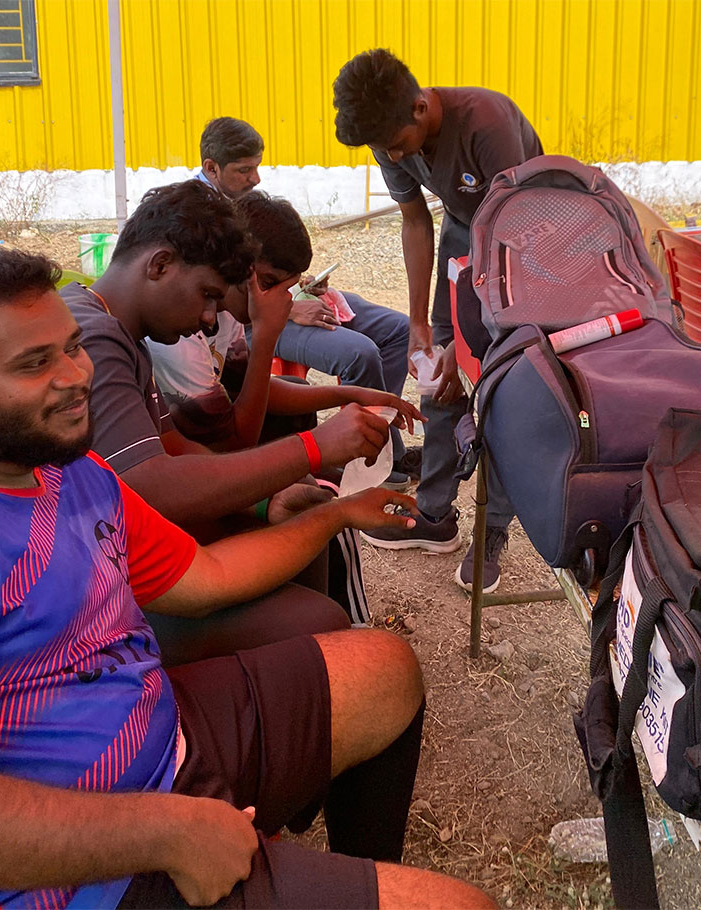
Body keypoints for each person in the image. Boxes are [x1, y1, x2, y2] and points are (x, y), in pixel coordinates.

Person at [0, 247, 494, 910]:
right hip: (64, 872)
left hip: (159, 737)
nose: (76, 376)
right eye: (34, 364)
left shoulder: (67, 471)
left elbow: (206, 574)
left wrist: (334, 514)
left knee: (386, 667)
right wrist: (168, 832)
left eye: (73, 347)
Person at [61, 181, 414, 631]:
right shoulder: (94, 338)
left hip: (122, 544)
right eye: (208, 294)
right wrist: (312, 447)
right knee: (318, 614)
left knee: (305, 519)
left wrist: (266, 502)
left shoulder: (124, 332)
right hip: (98, 588)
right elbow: (150, 485)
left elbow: (174, 446)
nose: (210, 317)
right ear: (160, 265)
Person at [333, 49, 543, 594]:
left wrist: (468, 340)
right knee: (439, 376)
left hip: (524, 252)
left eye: (395, 144)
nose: (391, 156)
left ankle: (492, 529)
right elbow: (414, 220)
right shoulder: (389, 134)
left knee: (502, 389)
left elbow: (514, 237)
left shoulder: (487, 125)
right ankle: (435, 513)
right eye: (382, 149)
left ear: (420, 107)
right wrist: (421, 325)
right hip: (464, 235)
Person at [198, 116, 419, 487]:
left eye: (257, 167)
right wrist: (281, 316)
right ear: (211, 168)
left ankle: (381, 446)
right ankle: (368, 463)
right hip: (262, 318)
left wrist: (298, 287)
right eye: (244, 170)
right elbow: (233, 440)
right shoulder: (197, 219)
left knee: (399, 330)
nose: (255, 179)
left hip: (271, 309)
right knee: (359, 354)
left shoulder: (246, 214)